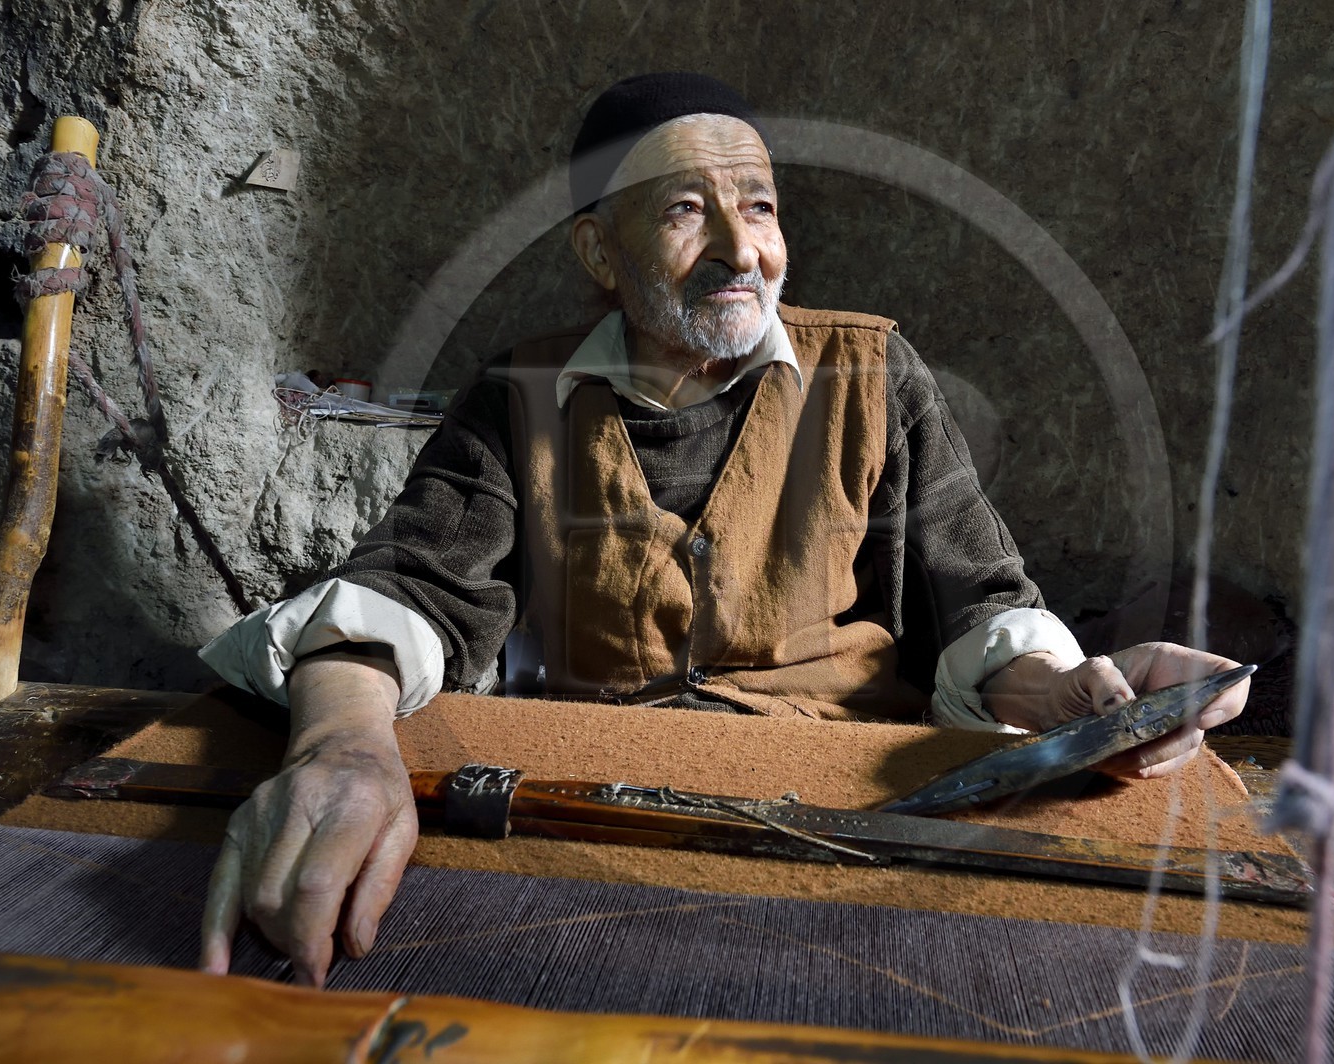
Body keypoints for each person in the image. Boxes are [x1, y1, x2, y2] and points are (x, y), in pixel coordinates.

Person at [196, 73, 1247, 987]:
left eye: (760, 206)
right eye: (687, 212)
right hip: (596, 805)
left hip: (843, 813)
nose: (742, 249)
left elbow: (978, 603)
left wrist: (1067, 700)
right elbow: (410, 585)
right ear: (598, 250)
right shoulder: (521, 394)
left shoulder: (873, 374)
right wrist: (341, 743)